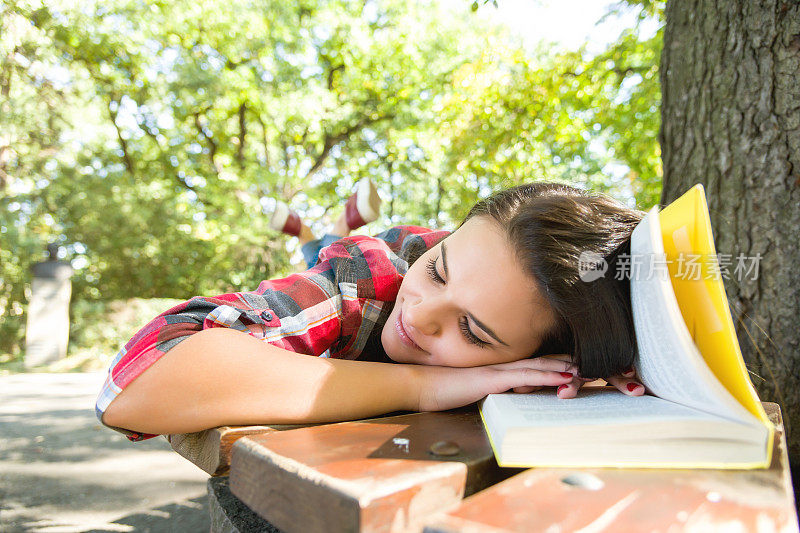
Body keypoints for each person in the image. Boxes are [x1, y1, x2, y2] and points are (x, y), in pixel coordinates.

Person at [95, 180, 645, 442]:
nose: (423, 312)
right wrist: (421, 387)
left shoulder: (551, 311)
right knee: (321, 256)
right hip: (348, 259)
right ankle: (336, 228)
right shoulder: (366, 280)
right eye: (438, 270)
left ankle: (329, 224)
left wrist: (602, 361)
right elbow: (132, 387)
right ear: (445, 238)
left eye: (472, 331)